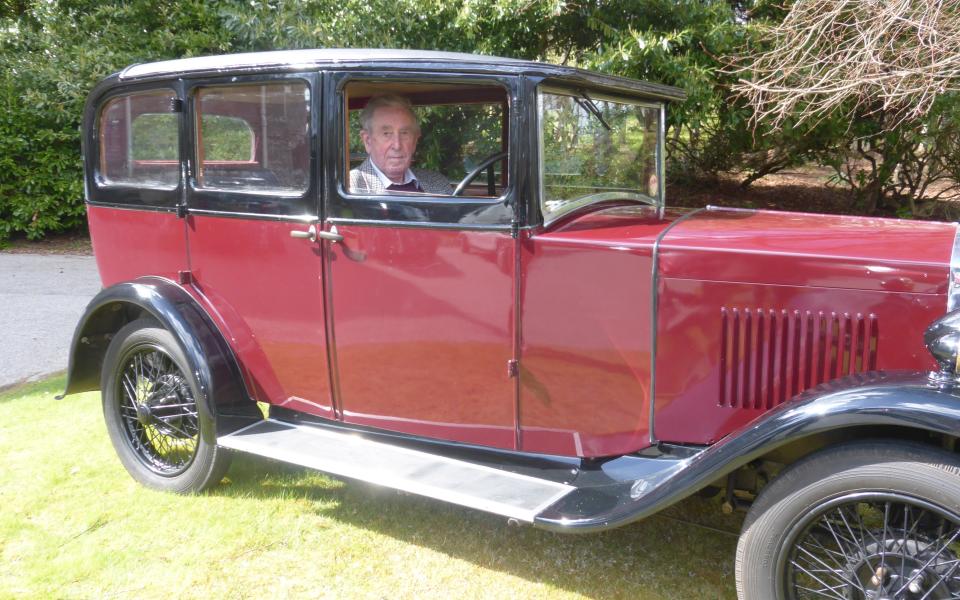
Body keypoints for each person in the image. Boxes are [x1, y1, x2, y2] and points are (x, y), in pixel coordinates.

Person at [349, 95, 452, 195]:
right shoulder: (350, 187)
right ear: (367, 141)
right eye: (387, 134)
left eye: (404, 133)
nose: (397, 145)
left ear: (415, 140)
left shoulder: (438, 183)